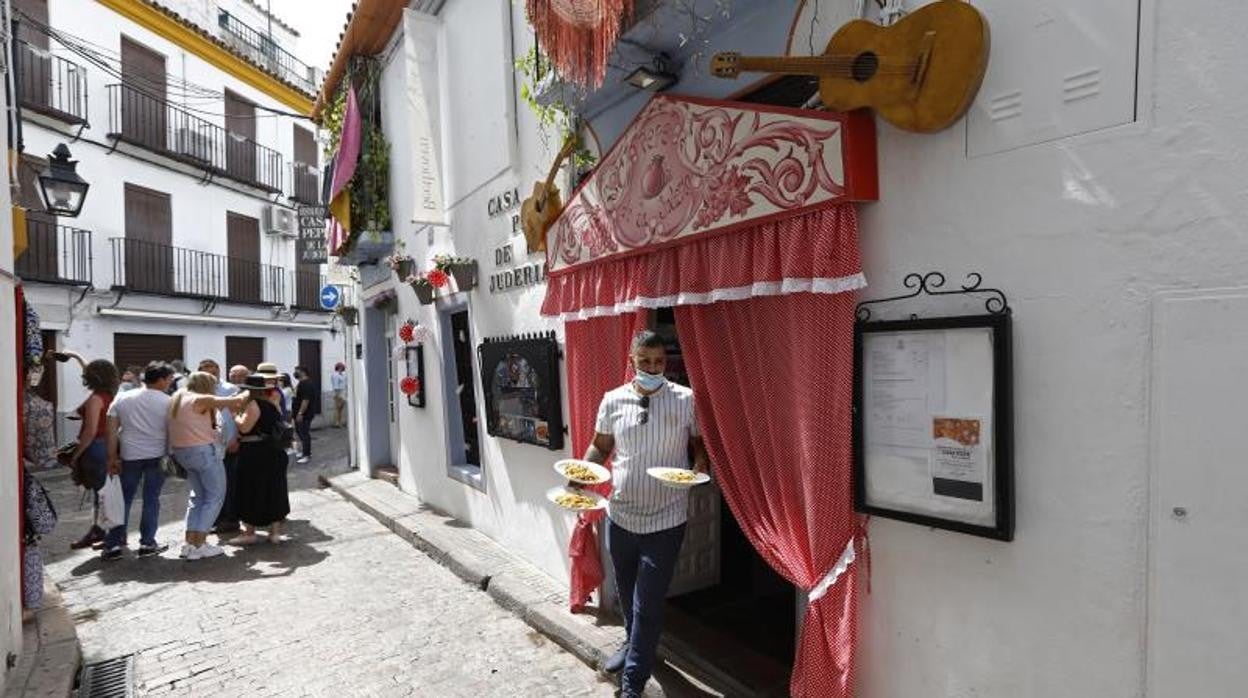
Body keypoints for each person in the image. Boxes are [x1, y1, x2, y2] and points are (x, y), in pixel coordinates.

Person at [579, 330, 708, 697]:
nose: (653, 367)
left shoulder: (685, 399)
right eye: (645, 361)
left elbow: (698, 445)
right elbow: (599, 446)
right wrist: (579, 477)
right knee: (626, 591)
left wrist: (699, 468)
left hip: (666, 517)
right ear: (632, 362)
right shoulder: (612, 400)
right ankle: (633, 643)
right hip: (620, 516)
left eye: (659, 361)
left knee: (648, 601)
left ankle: (633, 682)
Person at [169, 371, 248, 560]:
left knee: (197, 497)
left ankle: (190, 544)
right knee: (214, 497)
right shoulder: (201, 399)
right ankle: (200, 544)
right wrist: (248, 389)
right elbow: (236, 402)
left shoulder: (178, 397)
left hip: (183, 453)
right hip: (203, 452)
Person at [101, 362, 175, 560]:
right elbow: (172, 431)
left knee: (122, 500)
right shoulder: (168, 401)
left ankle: (113, 544)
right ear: (160, 379)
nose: (170, 383)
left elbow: (111, 431)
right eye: (169, 379)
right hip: (158, 456)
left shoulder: (123, 398)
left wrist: (112, 457)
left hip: (129, 455)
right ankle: (147, 543)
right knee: (151, 500)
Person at [61, 351, 119, 551]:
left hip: (95, 447)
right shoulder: (112, 393)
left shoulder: (96, 398)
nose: (83, 376)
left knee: (100, 494)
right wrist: (76, 356)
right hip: (109, 444)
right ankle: (104, 532)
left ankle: (103, 532)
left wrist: (76, 455)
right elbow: (92, 369)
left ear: (93, 377)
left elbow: (90, 431)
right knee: (106, 493)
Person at [231, 375, 290, 545]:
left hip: (255, 453)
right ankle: (275, 533)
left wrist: (235, 415)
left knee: (250, 489)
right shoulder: (273, 404)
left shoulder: (252, 404)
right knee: (275, 489)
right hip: (274, 452)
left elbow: (245, 427)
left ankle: (249, 533)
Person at [210, 363, 250, 535]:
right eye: (232, 375)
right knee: (216, 484)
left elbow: (241, 418)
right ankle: (218, 517)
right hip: (212, 445)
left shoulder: (233, 390)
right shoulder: (201, 390)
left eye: (239, 375)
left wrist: (237, 438)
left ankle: (230, 518)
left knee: (230, 483)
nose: (235, 378)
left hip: (231, 444)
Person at [292, 366, 319, 464]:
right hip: (300, 414)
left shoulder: (306, 384)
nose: (295, 373)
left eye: (297, 371)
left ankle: (306, 455)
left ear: (303, 372)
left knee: (304, 433)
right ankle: (305, 452)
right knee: (300, 432)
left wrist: (300, 413)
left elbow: (305, 400)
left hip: (304, 414)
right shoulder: (302, 383)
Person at [330, 362, 348, 428]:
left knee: (340, 409)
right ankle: (336, 423)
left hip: (343, 392)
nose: (342, 369)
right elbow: (336, 386)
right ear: (338, 368)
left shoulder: (342, 375)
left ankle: (339, 422)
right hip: (338, 392)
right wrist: (337, 395)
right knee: (338, 408)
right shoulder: (335, 375)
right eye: (341, 367)